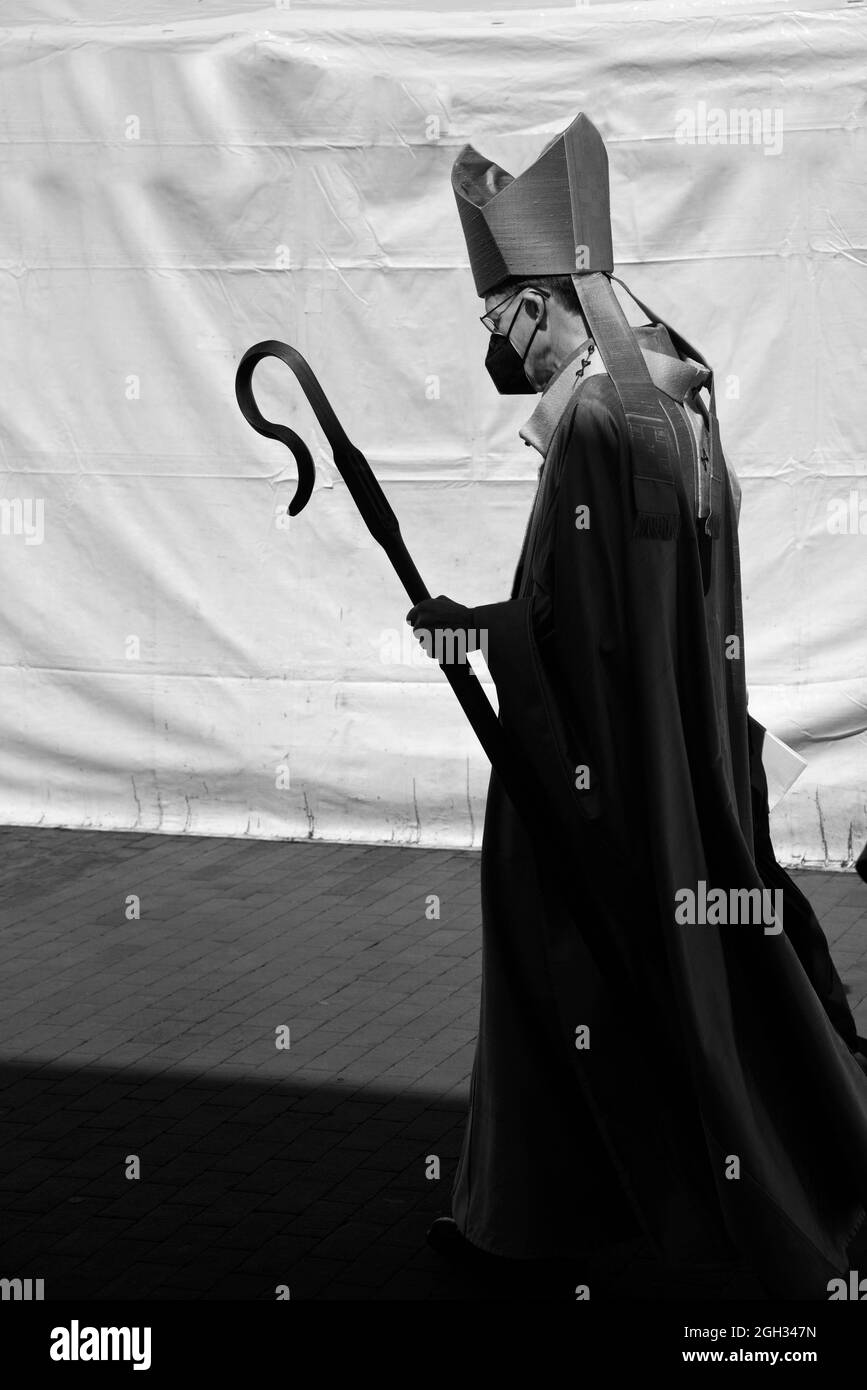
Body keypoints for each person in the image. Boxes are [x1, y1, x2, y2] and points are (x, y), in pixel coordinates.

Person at [407, 113, 867, 1297]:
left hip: (601, 776)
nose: (491, 337)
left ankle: (541, 1214)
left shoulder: (609, 418)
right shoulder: (661, 390)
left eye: (493, 311)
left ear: (538, 296)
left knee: (558, 961)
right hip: (670, 764)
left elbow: (585, 632)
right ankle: (541, 1203)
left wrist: (468, 630)